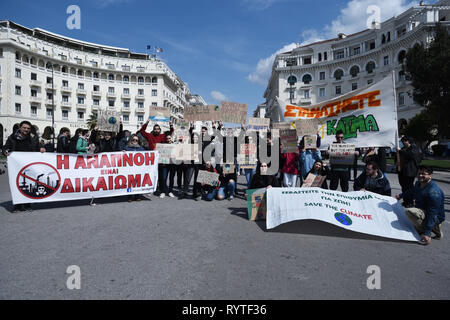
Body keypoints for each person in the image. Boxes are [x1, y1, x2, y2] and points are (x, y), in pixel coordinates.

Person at [395, 166, 445, 245]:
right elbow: (411, 191)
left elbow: (432, 213)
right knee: (407, 221)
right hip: (423, 211)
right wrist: (399, 196)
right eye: (419, 173)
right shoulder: (418, 183)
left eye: (423, 174)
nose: (420, 176)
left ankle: (429, 229)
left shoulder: (434, 193)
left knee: (409, 212)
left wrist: (427, 233)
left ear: (430, 175)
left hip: (435, 216)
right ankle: (434, 229)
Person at [3, 121, 45, 212]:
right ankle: (17, 206)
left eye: (28, 128)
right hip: (16, 165)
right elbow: (6, 147)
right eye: (24, 128)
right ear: (20, 128)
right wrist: (5, 151)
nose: (26, 130)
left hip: (29, 165)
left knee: (29, 184)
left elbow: (38, 147)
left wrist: (41, 149)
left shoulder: (33, 138)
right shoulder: (12, 137)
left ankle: (27, 205)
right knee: (17, 185)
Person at [397, 136, 422, 207]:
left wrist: (400, 151)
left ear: (408, 141)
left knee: (409, 187)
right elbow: (398, 156)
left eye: (404, 141)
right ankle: (406, 201)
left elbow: (410, 155)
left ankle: (410, 202)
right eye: (402, 141)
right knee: (403, 187)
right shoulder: (403, 149)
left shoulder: (414, 148)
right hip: (401, 171)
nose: (403, 143)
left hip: (409, 171)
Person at [123, 134, 145, 202]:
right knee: (130, 182)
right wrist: (123, 153)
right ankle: (129, 196)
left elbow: (146, 156)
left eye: (136, 140)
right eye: (133, 140)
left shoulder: (141, 149)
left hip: (138, 169)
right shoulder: (127, 148)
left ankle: (137, 196)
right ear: (131, 140)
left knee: (138, 182)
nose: (135, 141)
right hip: (130, 169)